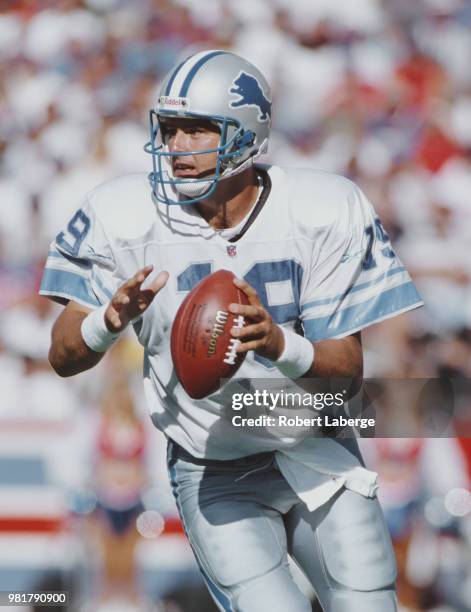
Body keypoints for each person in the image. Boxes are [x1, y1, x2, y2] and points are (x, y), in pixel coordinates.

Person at [40, 50, 423, 611]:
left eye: (197, 130)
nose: (176, 147)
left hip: (320, 449)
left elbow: (346, 372)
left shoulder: (322, 208)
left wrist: (277, 344)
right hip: (212, 468)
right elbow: (62, 353)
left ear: (248, 135)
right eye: (170, 129)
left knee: (369, 603)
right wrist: (108, 319)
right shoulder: (121, 213)